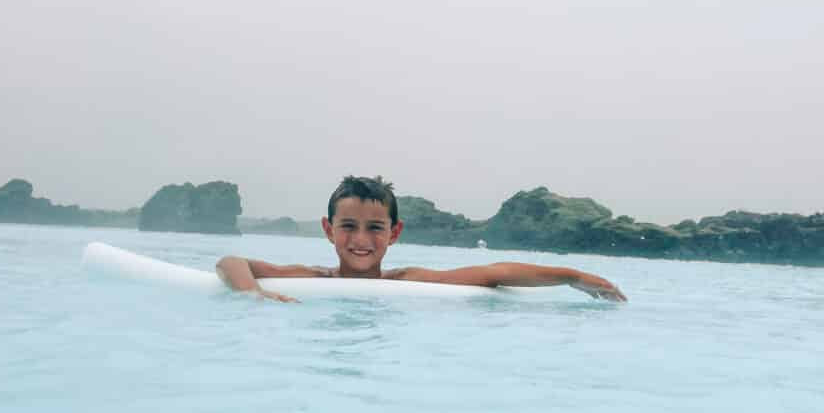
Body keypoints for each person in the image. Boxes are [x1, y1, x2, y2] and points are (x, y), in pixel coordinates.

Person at [216, 176, 627, 303]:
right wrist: (253, 292)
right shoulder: (311, 275)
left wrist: (571, 275)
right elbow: (231, 262)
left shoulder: (406, 280)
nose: (361, 239)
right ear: (329, 230)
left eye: (375, 228)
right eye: (348, 226)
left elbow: (493, 273)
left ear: (394, 233)